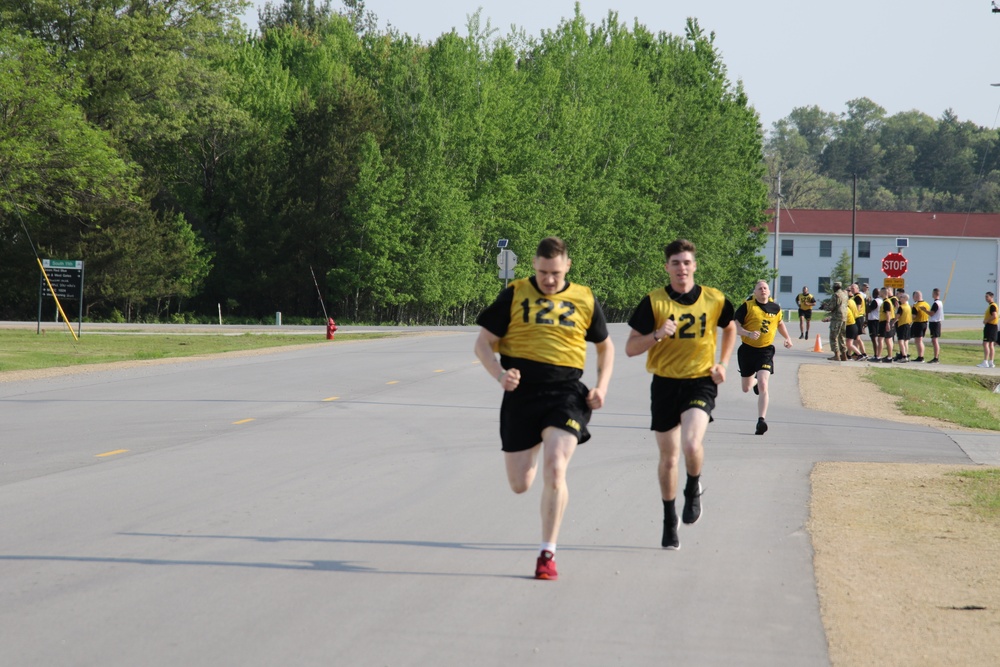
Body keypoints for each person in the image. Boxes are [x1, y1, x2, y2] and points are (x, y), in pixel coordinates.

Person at [474, 236, 615, 580]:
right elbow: (482, 344)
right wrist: (499, 375)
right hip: (521, 394)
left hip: (566, 393)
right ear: (533, 267)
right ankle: (537, 440)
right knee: (520, 484)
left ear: (567, 266)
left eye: (554, 273)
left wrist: (601, 387)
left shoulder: (583, 297)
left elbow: (605, 347)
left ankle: (546, 554)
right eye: (542, 273)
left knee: (556, 467)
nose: (548, 280)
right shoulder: (515, 294)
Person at [625, 239, 736, 551]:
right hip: (664, 384)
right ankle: (668, 518)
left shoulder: (714, 298)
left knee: (691, 442)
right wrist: (658, 334)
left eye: (687, 262)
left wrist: (723, 363)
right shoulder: (654, 303)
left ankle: (692, 488)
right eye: (676, 263)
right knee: (669, 457)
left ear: (695, 266)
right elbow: (631, 348)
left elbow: (730, 327)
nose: (682, 268)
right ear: (667, 267)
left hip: (700, 380)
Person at [733, 280, 793, 435]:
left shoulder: (775, 308)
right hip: (747, 350)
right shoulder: (747, 306)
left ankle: (761, 421)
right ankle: (754, 383)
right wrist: (748, 333)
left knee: (764, 384)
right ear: (755, 292)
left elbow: (779, 323)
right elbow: (735, 326)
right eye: (759, 288)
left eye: (765, 288)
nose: (763, 290)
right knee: (746, 388)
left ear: (769, 291)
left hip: (765, 351)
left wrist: (787, 337)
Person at [823, 282, 849, 361]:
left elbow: (832, 307)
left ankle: (836, 355)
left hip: (837, 318)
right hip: (844, 317)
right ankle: (844, 355)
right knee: (842, 337)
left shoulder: (836, 295)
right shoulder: (845, 294)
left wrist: (825, 306)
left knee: (834, 336)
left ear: (835, 288)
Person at [978, 291, 998, 368]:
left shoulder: (992, 306)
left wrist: (986, 320)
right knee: (991, 344)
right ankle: (991, 362)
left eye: (987, 297)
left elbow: (994, 316)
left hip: (990, 326)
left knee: (986, 343)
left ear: (991, 297)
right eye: (985, 297)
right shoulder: (994, 305)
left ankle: (985, 361)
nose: (986, 298)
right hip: (993, 327)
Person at [911, 290, 930, 362]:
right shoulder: (927, 304)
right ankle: (920, 356)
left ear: (915, 297)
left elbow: (913, 316)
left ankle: (920, 357)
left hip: (918, 323)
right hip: (925, 323)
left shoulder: (916, 306)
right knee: (920, 340)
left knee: (918, 341)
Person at [927, 288, 944, 363]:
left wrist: (924, 310)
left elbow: (932, 313)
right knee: (934, 340)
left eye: (933, 293)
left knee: (934, 340)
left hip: (935, 322)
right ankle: (936, 357)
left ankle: (936, 358)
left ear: (935, 294)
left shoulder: (936, 303)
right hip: (936, 322)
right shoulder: (939, 302)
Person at [894, 292, 912, 362]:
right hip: (908, 324)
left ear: (905, 299)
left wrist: (892, 322)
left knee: (901, 340)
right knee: (906, 341)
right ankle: (905, 354)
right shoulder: (908, 306)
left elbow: (897, 316)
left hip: (902, 324)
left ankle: (903, 356)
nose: (900, 298)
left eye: (901, 297)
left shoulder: (902, 307)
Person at [866, 285, 883, 359]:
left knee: (874, 338)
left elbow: (868, 310)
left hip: (873, 320)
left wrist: (867, 303)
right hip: (878, 319)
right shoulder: (881, 301)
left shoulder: (875, 301)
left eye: (874, 292)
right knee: (877, 338)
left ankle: (876, 354)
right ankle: (877, 354)